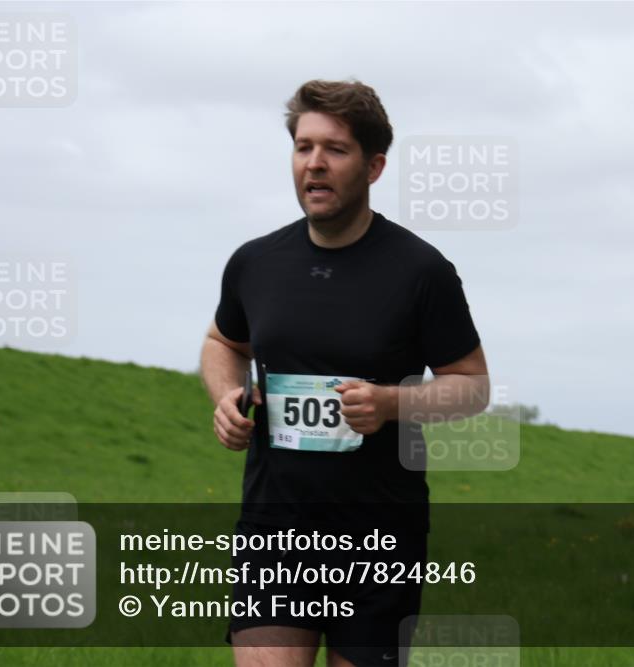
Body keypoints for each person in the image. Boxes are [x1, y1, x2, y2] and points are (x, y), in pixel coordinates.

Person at [199, 79, 489, 667]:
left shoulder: (421, 271)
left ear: (374, 166)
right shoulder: (255, 263)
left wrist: (390, 404)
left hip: (380, 531)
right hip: (275, 528)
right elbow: (221, 341)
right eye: (303, 147)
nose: (314, 164)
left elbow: (471, 386)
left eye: (334, 149)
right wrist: (227, 393)